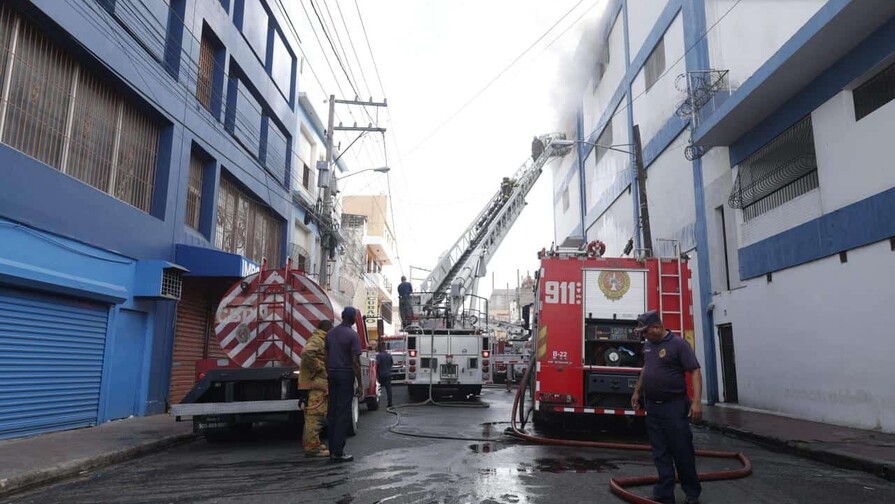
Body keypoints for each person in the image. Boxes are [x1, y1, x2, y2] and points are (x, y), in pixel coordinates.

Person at [631, 310, 703, 504]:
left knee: (682, 451)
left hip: (674, 407)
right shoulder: (648, 345)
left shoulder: (678, 344)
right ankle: (664, 494)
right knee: (660, 452)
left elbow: (694, 371)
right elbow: (646, 368)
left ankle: (692, 493)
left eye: (646, 332)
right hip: (653, 408)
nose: (644, 336)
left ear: (657, 327)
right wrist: (637, 391)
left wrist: (696, 402)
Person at [325, 307, 365, 462]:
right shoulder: (353, 335)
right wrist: (360, 384)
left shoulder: (330, 334)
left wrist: (329, 373)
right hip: (345, 375)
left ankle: (331, 450)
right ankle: (338, 452)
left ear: (342, 317)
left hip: (332, 374)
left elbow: (326, 356)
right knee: (342, 413)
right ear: (353, 318)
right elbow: (355, 362)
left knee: (332, 412)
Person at [298, 319, 333, 458]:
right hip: (316, 383)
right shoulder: (318, 340)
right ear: (328, 329)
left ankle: (314, 444)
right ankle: (312, 449)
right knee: (315, 416)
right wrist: (319, 368)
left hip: (316, 383)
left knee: (315, 415)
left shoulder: (319, 338)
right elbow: (307, 353)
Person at [375, 341, 394, 408]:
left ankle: (377, 403)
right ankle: (390, 403)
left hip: (381, 375)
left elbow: (377, 364)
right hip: (388, 374)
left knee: (377, 389)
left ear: (380, 348)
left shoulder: (378, 356)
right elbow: (391, 363)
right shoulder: (389, 355)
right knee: (389, 389)